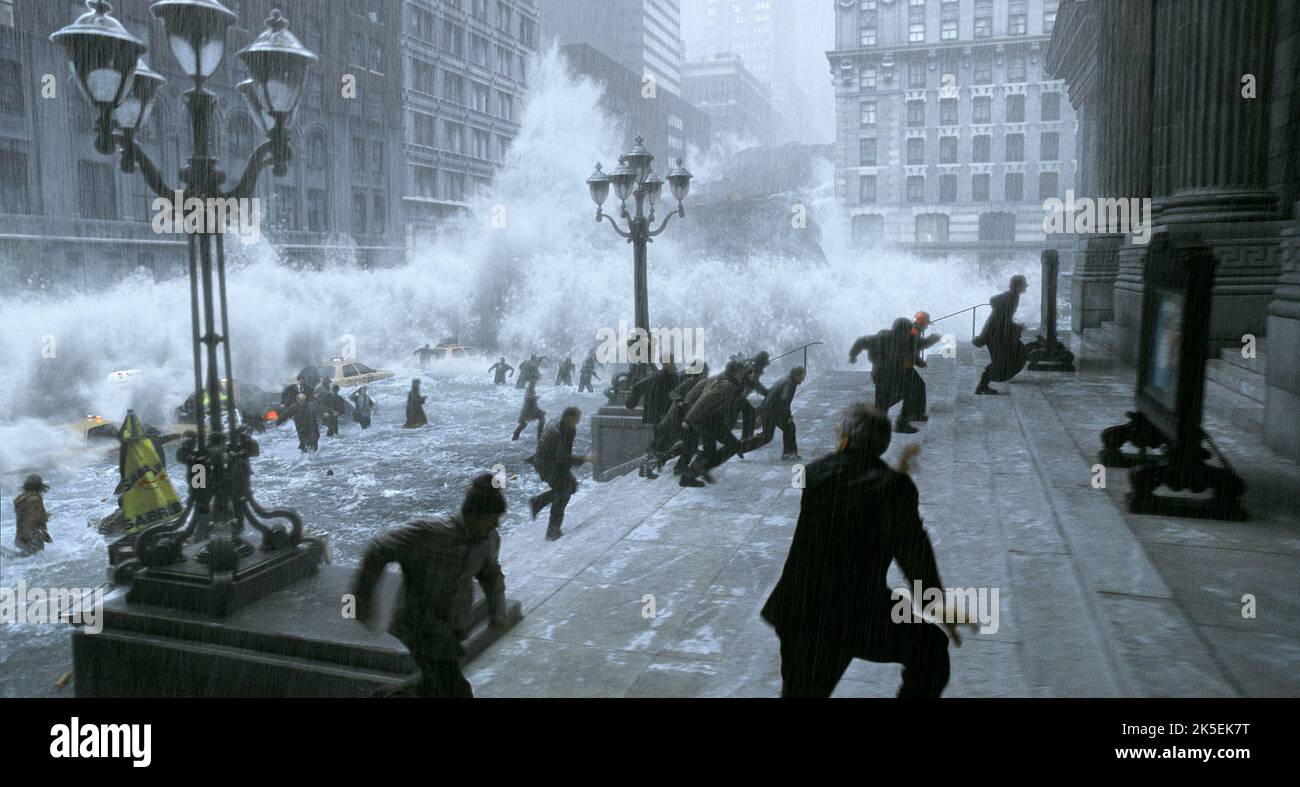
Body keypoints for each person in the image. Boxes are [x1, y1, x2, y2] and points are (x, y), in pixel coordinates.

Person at [761, 404, 957, 698]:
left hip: (801, 610)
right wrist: (935, 604)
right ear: (885, 443)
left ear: (844, 439)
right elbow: (914, 553)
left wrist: (893, 478)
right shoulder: (893, 488)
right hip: (858, 613)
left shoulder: (815, 475)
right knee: (930, 651)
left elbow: (852, 484)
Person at [352, 473, 510, 698]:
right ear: (473, 515)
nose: (496, 524)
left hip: (452, 626)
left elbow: (491, 575)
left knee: (432, 687)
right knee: (456, 691)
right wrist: (362, 597)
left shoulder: (489, 539)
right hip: (419, 626)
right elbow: (379, 547)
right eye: (492, 518)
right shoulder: (430, 533)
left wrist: (498, 611)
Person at [528, 407, 593, 541]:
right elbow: (562, 457)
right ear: (569, 417)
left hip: (548, 462)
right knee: (563, 492)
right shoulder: (562, 430)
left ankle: (537, 502)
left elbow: (561, 455)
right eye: (577, 419)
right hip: (547, 465)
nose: (578, 422)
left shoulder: (562, 423)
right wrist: (584, 459)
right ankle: (552, 530)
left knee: (571, 486)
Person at [679, 360, 748, 487]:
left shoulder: (720, 378)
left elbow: (700, 386)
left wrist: (687, 403)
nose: (742, 375)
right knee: (733, 445)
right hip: (706, 419)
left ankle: (688, 477)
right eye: (740, 372)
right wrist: (688, 419)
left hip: (704, 418)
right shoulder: (726, 385)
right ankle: (699, 469)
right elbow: (705, 400)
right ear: (733, 372)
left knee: (709, 449)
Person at [850, 318, 923, 434]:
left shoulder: (905, 339)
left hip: (896, 373)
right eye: (905, 333)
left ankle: (901, 423)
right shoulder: (881, 338)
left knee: (912, 390)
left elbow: (910, 353)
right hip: (882, 375)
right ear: (897, 332)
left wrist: (918, 362)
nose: (907, 336)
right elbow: (861, 342)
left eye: (908, 333)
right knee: (883, 403)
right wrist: (853, 356)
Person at [974, 274, 1036, 395]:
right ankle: (982, 385)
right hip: (995, 335)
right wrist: (1018, 327)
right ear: (1017, 285)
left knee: (1017, 354)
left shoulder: (1013, 296)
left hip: (997, 334)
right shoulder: (1011, 297)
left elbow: (1003, 317)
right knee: (1001, 362)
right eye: (1024, 285)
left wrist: (1016, 326)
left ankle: (987, 382)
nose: (1026, 288)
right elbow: (1000, 320)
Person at [626, 358, 680, 479]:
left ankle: (646, 466)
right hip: (662, 415)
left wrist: (631, 404)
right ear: (666, 364)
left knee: (660, 441)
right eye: (671, 363)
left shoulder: (661, 376)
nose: (674, 365)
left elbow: (637, 387)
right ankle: (648, 467)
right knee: (660, 442)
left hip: (662, 415)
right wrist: (630, 404)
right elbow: (637, 387)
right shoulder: (663, 377)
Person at [744, 366, 806, 460]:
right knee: (789, 427)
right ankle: (789, 453)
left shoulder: (786, 379)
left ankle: (740, 447)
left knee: (767, 436)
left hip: (769, 410)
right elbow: (784, 400)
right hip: (771, 411)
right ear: (796, 375)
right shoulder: (790, 383)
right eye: (802, 376)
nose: (803, 379)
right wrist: (788, 416)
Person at [903, 312, 943, 423]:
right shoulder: (914, 331)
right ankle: (915, 414)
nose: (927, 326)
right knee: (918, 386)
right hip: (904, 365)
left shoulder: (914, 330)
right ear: (922, 323)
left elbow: (915, 347)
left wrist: (919, 362)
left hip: (904, 364)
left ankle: (915, 413)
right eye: (926, 324)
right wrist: (934, 338)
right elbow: (914, 348)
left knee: (916, 387)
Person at [733, 351, 772, 443]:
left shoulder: (751, 363)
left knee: (746, 413)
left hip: (738, 392)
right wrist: (766, 392)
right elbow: (754, 383)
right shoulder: (753, 367)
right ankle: (746, 438)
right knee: (748, 414)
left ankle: (747, 436)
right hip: (736, 393)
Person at [13, 474, 52, 556]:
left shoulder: (22, 498)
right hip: (32, 534)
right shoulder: (34, 499)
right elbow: (31, 518)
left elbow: (24, 516)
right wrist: (26, 535)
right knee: (34, 557)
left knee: (26, 558)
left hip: (21, 532)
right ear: (39, 486)